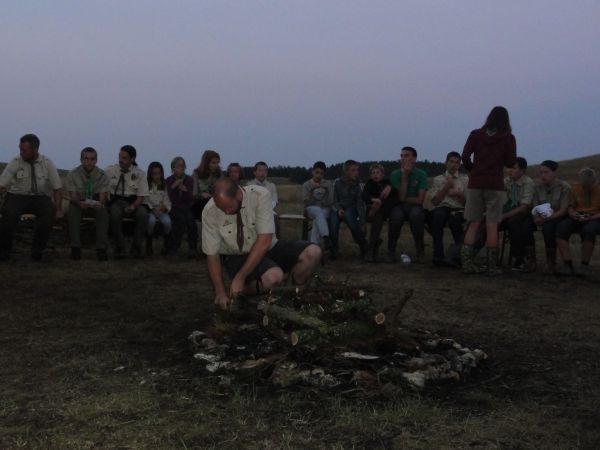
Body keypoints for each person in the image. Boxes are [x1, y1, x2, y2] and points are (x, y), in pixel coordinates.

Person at [202, 178, 322, 310]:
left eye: (229, 207)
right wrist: (220, 292)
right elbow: (212, 255)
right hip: (238, 255)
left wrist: (240, 277)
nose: (226, 212)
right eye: (221, 208)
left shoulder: (260, 195)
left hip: (268, 246)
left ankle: (292, 291)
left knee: (313, 252)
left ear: (237, 194)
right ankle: (238, 291)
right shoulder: (210, 211)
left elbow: (265, 241)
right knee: (273, 277)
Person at [461, 106, 517, 275]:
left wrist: (473, 170)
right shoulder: (508, 137)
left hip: (476, 183)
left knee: (474, 223)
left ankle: (467, 263)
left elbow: (465, 156)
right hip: (495, 184)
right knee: (492, 224)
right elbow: (510, 161)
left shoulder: (476, 134)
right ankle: (492, 266)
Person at [0, 134, 63, 261]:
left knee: (48, 215)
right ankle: (4, 251)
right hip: (17, 196)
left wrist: (59, 209)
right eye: (20, 149)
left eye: (24, 150)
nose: (21, 152)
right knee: (8, 214)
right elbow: (2, 184)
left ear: (35, 150)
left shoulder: (47, 163)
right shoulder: (15, 162)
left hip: (40, 197)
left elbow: (57, 188)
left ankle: (37, 251)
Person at [66, 147, 110, 261]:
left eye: (92, 159)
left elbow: (102, 196)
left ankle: (101, 248)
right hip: (79, 201)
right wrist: (79, 203)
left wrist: (99, 203)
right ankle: (75, 247)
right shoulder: (73, 174)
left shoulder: (102, 175)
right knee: (72, 211)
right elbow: (73, 195)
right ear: (81, 160)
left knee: (103, 211)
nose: (89, 162)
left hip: (95, 201)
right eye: (86, 159)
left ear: (96, 161)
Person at [527, 160, 571, 274]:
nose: (543, 175)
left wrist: (546, 219)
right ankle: (530, 259)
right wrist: (535, 217)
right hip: (540, 216)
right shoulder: (537, 187)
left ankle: (551, 262)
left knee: (549, 227)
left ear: (554, 172)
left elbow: (563, 209)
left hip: (557, 216)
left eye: (546, 172)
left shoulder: (564, 187)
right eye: (541, 173)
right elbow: (535, 206)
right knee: (525, 225)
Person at [105, 145, 149, 258]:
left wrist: (133, 206)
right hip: (117, 201)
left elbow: (141, 196)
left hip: (134, 201)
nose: (121, 160)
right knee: (114, 213)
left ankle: (136, 246)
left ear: (132, 159)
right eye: (120, 157)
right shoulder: (110, 170)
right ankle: (120, 246)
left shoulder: (140, 174)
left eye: (124, 158)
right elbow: (103, 187)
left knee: (143, 214)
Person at [556, 168, 600, 277]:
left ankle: (584, 265)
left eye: (589, 185)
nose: (586, 187)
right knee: (561, 228)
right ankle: (567, 264)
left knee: (589, 230)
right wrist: (573, 214)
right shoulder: (576, 189)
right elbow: (571, 206)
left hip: (595, 217)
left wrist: (591, 218)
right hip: (578, 215)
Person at [388, 147, 428, 262]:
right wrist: (404, 177)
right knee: (396, 217)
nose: (403, 158)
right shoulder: (395, 174)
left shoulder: (421, 174)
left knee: (416, 216)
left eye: (406, 155)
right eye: (401, 156)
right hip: (399, 206)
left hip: (415, 206)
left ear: (414, 158)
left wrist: (404, 198)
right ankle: (391, 250)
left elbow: (420, 200)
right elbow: (399, 198)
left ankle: (420, 250)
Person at [429, 151, 468, 267]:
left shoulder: (465, 180)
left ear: (459, 165)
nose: (453, 165)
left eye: (457, 162)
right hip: (442, 207)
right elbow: (435, 201)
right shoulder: (438, 179)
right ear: (446, 163)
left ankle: (456, 256)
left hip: (459, 209)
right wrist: (446, 187)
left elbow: (467, 203)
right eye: (451, 161)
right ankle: (438, 255)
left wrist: (458, 194)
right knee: (438, 217)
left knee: (455, 221)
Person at [499, 157, 536, 272]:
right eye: (508, 167)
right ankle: (492, 257)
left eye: (513, 168)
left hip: (524, 212)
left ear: (522, 171)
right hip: (511, 209)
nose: (509, 170)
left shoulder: (528, 182)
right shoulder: (507, 181)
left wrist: (504, 216)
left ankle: (519, 258)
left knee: (514, 223)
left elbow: (524, 207)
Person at [329, 160, 367, 259]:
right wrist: (338, 210)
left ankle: (363, 244)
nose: (356, 173)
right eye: (353, 170)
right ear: (346, 171)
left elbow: (360, 204)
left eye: (357, 170)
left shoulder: (359, 185)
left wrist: (362, 221)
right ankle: (334, 250)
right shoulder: (337, 182)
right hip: (338, 208)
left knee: (349, 215)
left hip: (352, 208)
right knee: (333, 221)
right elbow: (333, 200)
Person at [362, 163, 396, 262]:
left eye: (378, 172)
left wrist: (389, 188)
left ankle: (371, 248)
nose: (375, 175)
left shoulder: (387, 183)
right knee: (377, 217)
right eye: (373, 173)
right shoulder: (369, 184)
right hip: (371, 208)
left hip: (383, 210)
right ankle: (374, 245)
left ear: (383, 174)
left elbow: (394, 194)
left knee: (378, 215)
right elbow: (364, 195)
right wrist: (373, 200)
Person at [166, 157, 198, 257]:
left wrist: (185, 191)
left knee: (191, 221)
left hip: (185, 207)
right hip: (173, 207)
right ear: (173, 168)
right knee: (180, 220)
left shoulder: (188, 180)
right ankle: (173, 249)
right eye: (177, 166)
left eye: (182, 166)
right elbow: (168, 197)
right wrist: (173, 187)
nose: (180, 169)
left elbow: (189, 198)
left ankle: (193, 248)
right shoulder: (169, 180)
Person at [302, 161, 333, 247]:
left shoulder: (328, 184)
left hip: (324, 209)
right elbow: (306, 203)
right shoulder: (307, 185)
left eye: (321, 173)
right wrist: (312, 191)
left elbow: (330, 202)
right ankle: (325, 235)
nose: (319, 175)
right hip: (311, 209)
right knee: (318, 211)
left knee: (317, 219)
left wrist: (327, 191)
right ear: (313, 172)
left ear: (324, 174)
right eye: (317, 173)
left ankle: (314, 246)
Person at [145, 161, 172, 256]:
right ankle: (149, 243)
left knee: (167, 222)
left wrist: (165, 208)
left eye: (159, 173)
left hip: (161, 210)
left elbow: (167, 199)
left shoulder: (164, 185)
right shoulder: (146, 184)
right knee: (151, 222)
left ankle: (166, 245)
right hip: (151, 210)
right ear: (150, 174)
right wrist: (152, 209)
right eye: (154, 174)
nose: (157, 176)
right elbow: (145, 199)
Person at [192, 150, 222, 220]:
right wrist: (202, 195)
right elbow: (194, 194)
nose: (216, 165)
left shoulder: (219, 174)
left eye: (217, 163)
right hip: (200, 204)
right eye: (213, 163)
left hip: (216, 202)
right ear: (206, 163)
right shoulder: (196, 174)